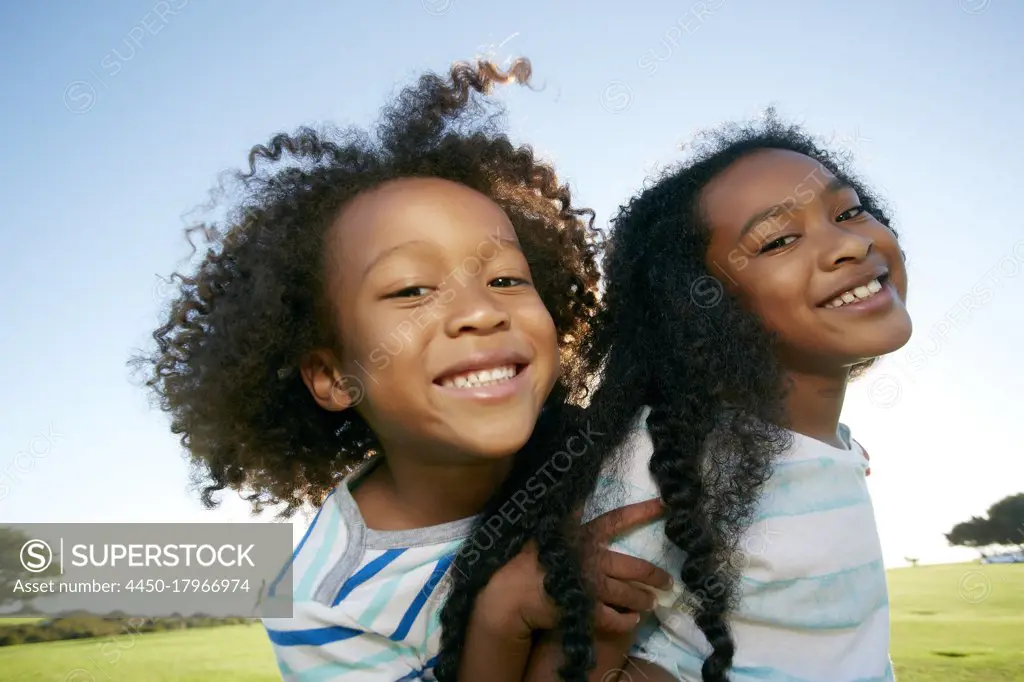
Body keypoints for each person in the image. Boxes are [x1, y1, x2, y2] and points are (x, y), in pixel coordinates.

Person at [132, 57, 672, 682]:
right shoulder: (324, 602)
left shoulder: (631, 452)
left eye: (505, 279)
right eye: (412, 290)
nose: (479, 310)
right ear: (334, 376)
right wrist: (500, 616)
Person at [435, 111, 911, 682]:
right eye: (779, 240)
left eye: (849, 210)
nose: (848, 245)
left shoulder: (832, 446)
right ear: (704, 307)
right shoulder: (666, 462)